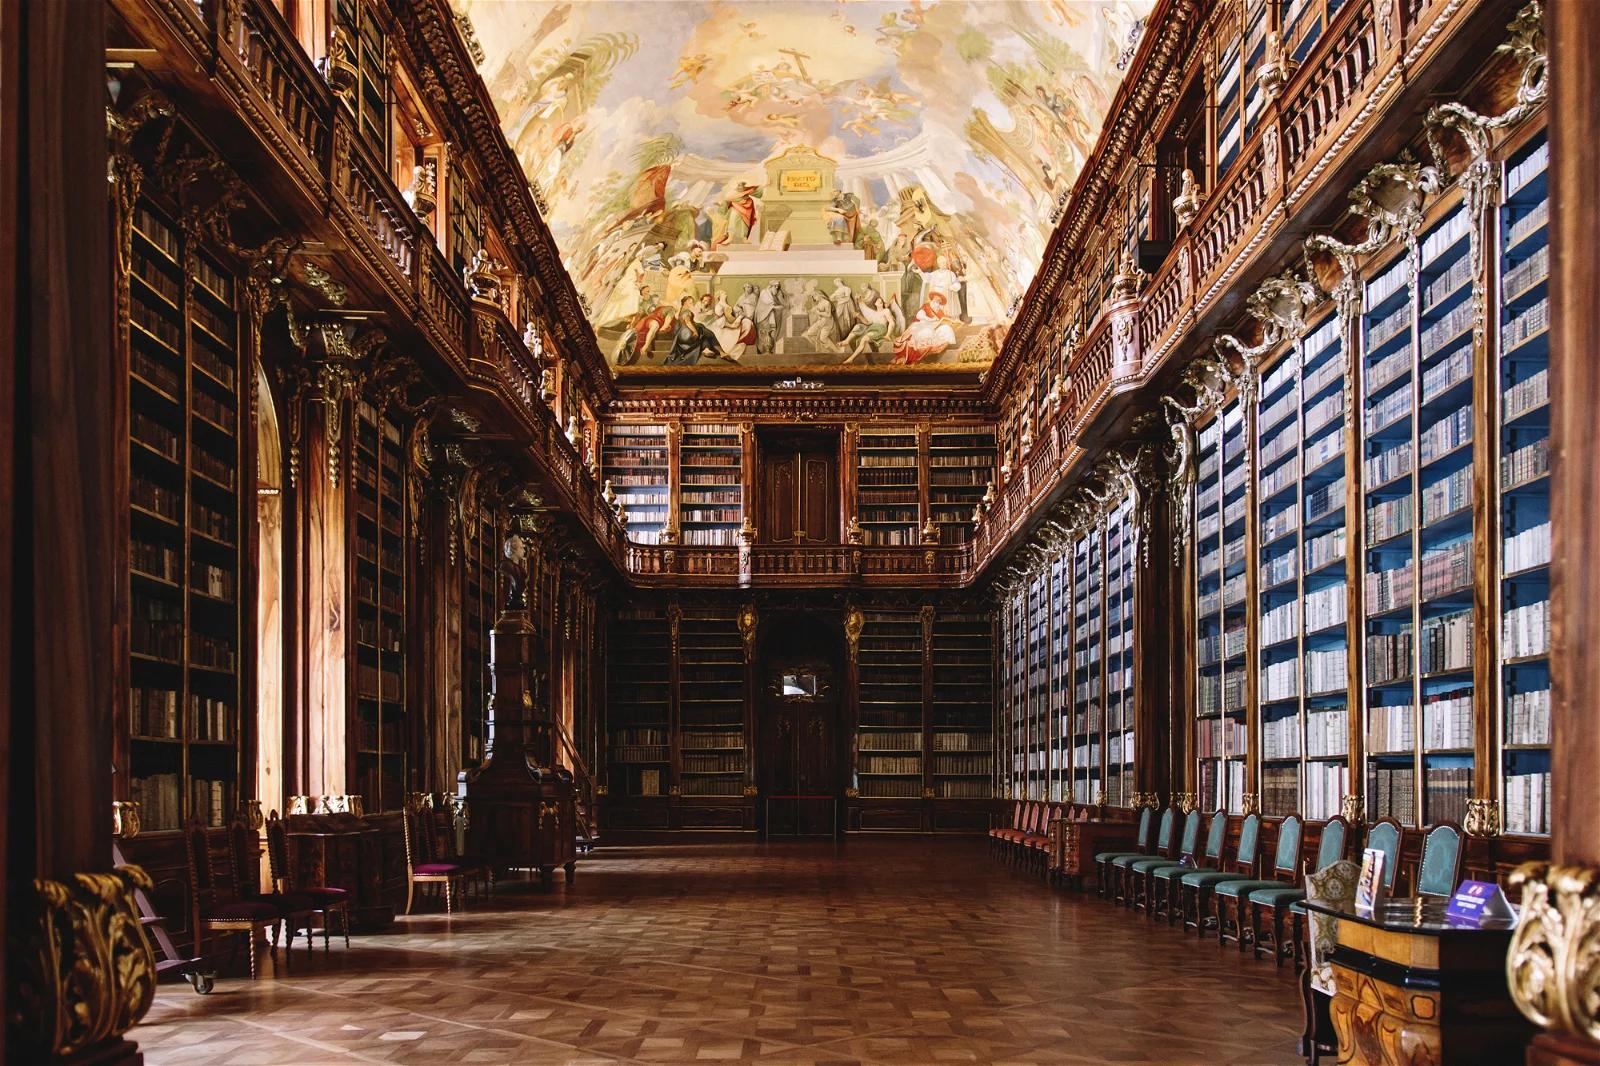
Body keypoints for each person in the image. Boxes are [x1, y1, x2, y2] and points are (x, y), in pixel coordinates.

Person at [892, 290, 958, 365]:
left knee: (947, 328)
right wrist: (931, 319)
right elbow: (919, 316)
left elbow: (944, 319)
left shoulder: (939, 311)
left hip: (934, 329)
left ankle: (947, 346)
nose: (937, 303)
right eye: (936, 301)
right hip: (922, 327)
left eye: (939, 302)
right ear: (932, 300)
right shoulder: (926, 306)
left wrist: (953, 321)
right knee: (927, 332)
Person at [843, 289, 903, 362]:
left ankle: (851, 359)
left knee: (864, 339)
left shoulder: (886, 311)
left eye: (881, 301)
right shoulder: (873, 314)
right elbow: (867, 323)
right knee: (858, 326)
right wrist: (859, 316)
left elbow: (891, 323)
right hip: (872, 328)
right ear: (875, 304)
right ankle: (847, 341)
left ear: (883, 304)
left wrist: (888, 335)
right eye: (877, 301)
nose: (879, 301)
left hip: (880, 329)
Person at [754, 280, 786, 355]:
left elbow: (777, 305)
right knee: (764, 335)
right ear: (771, 286)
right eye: (775, 287)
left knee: (771, 334)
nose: (776, 289)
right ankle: (764, 351)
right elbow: (771, 305)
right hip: (763, 318)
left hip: (769, 317)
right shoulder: (764, 292)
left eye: (777, 287)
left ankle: (769, 350)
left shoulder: (773, 295)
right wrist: (778, 307)